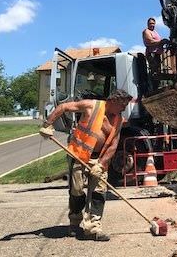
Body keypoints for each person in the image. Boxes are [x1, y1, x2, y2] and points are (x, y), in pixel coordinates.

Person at [39, 89, 132, 241]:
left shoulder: (118, 120)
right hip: (79, 156)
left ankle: (93, 228)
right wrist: (48, 124)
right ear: (113, 101)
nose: (124, 108)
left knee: (98, 193)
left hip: (98, 160)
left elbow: (113, 145)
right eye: (123, 105)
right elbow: (63, 107)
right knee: (76, 191)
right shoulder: (91, 105)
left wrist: (101, 165)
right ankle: (75, 223)